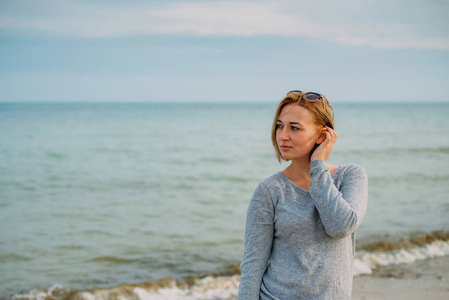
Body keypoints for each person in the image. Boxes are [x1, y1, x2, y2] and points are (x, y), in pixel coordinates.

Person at [238, 90, 368, 299]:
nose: (283, 136)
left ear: (321, 135)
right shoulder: (269, 190)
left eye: (294, 128)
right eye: (280, 126)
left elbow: (340, 227)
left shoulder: (350, 176)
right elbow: (253, 265)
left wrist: (318, 166)